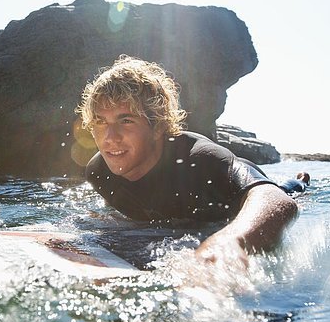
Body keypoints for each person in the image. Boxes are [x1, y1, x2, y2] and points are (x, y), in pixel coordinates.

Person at [76, 55, 298, 269]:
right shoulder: (99, 173)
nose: (110, 137)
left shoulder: (200, 160)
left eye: (126, 120)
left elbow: (275, 199)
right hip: (183, 221)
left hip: (244, 203)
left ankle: (299, 180)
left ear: (158, 126)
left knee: (291, 189)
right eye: (100, 122)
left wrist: (230, 241)